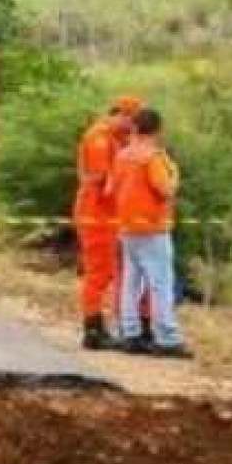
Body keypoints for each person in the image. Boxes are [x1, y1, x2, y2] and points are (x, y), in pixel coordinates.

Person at [108, 107, 190, 358]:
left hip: (127, 227)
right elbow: (165, 190)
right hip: (152, 228)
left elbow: (111, 188)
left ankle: (130, 333)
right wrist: (175, 174)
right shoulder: (153, 157)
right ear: (158, 129)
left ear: (135, 128)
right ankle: (166, 338)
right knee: (160, 283)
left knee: (131, 282)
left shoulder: (122, 155)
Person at [75, 95, 142, 349]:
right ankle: (92, 328)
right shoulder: (99, 139)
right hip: (96, 215)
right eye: (131, 122)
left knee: (108, 271)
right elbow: (103, 181)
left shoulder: (114, 138)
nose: (132, 129)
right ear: (121, 115)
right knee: (98, 272)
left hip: (106, 215)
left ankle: (99, 325)